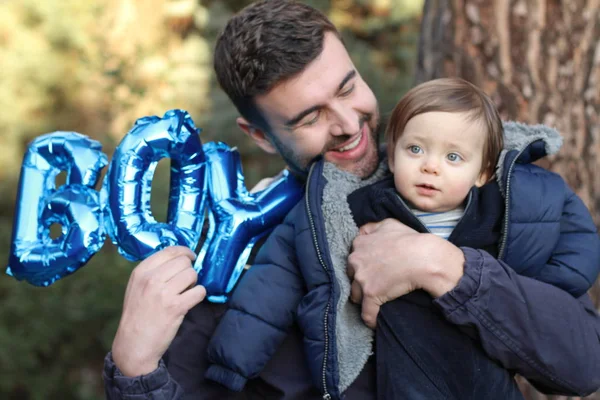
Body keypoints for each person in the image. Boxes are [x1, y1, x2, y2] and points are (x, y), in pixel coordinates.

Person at [102, 1, 600, 399]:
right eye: (309, 118)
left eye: (348, 88)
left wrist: (445, 267)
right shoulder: (230, 263)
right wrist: (133, 365)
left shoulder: (465, 187)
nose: (347, 125)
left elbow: (583, 365)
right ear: (258, 134)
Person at [201, 78, 600, 398]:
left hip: (483, 378)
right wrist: (232, 360)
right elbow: (274, 281)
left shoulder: (504, 216)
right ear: (392, 155)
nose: (430, 167)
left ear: (482, 172)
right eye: (415, 149)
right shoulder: (353, 210)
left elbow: (569, 248)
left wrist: (558, 286)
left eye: (453, 157)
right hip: (405, 377)